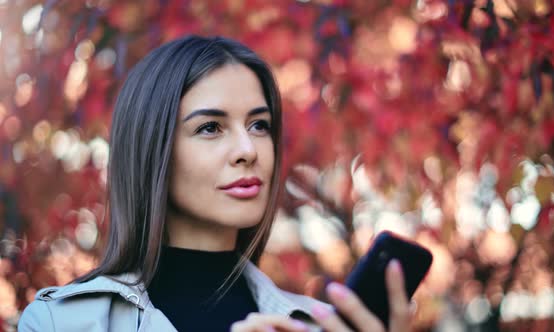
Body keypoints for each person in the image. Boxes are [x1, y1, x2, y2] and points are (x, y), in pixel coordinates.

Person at [18, 35, 411, 332]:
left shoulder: (309, 324)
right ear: (152, 149)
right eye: (210, 127)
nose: (248, 149)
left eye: (260, 125)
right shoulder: (60, 321)